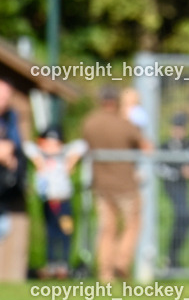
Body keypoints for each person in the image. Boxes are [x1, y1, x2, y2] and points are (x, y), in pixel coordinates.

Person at [82, 86, 151, 281]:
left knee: (107, 229)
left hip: (101, 185)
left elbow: (86, 146)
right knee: (133, 224)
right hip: (125, 185)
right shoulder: (125, 124)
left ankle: (105, 273)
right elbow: (146, 146)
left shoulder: (90, 123)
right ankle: (122, 260)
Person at [24, 126, 87, 279]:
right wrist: (38, 159)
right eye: (47, 143)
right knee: (50, 233)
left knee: (65, 232)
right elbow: (27, 146)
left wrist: (71, 160)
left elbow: (82, 144)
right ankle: (51, 264)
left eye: (55, 143)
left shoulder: (64, 156)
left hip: (63, 202)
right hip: (49, 202)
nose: (51, 147)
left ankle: (63, 264)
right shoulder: (42, 156)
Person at [158, 112, 189, 269]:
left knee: (185, 219)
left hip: (183, 187)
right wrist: (178, 173)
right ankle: (170, 258)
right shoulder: (164, 147)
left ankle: (172, 257)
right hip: (171, 186)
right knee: (182, 215)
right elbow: (159, 168)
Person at [0, 80, 29, 281]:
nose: (4, 101)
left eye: (6, 98)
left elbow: (17, 146)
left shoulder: (11, 118)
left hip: (7, 190)